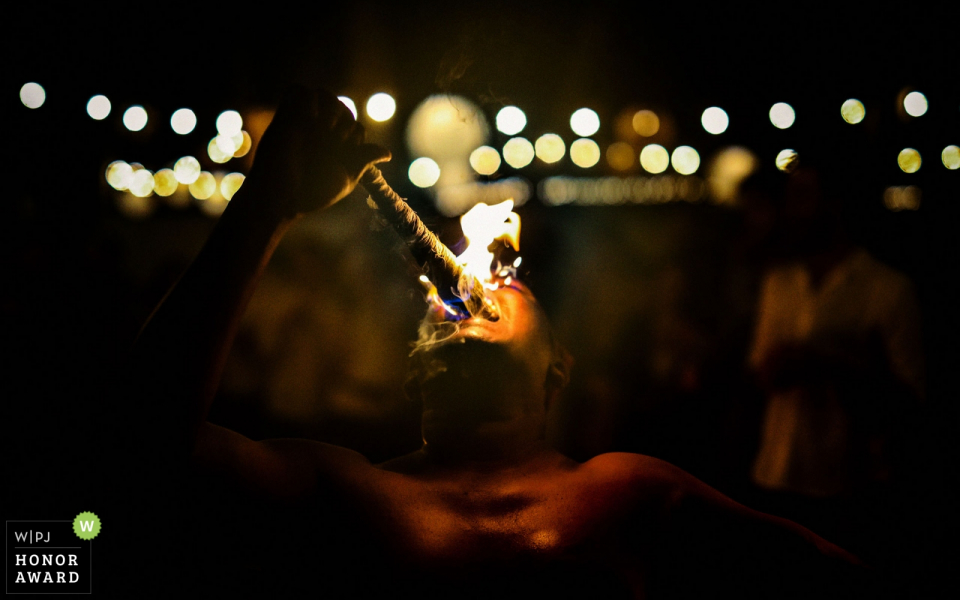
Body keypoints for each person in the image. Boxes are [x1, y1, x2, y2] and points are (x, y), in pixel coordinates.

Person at [132, 87, 870, 598]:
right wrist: (266, 206)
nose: (474, 288)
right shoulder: (345, 494)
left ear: (558, 367)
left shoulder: (627, 492)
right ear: (416, 376)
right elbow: (133, 451)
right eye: (439, 312)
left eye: (511, 283)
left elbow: (822, 569)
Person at [747, 158, 925, 556]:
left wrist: (829, 365)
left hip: (847, 488)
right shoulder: (780, 280)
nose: (792, 210)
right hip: (773, 474)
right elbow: (761, 373)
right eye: (791, 197)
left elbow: (912, 403)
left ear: (837, 203)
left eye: (804, 197)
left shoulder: (888, 288)